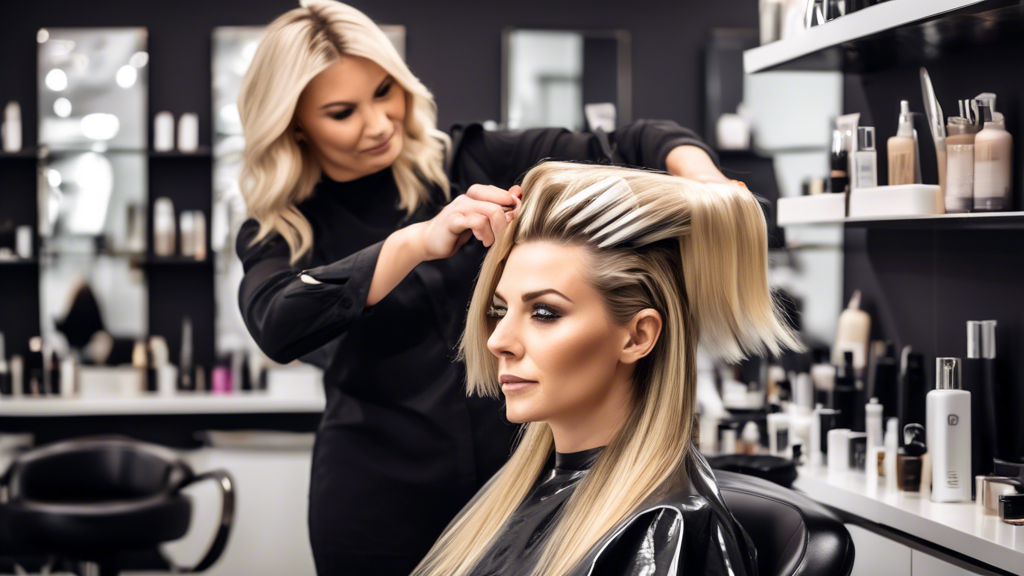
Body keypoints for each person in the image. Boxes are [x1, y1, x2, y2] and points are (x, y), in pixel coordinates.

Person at [235, 1, 730, 572]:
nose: (378, 123)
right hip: (376, 502)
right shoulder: (283, 229)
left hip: (515, 484)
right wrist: (415, 242)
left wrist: (709, 184)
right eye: (343, 112)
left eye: (384, 91)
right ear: (294, 123)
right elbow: (277, 324)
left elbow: (638, 142)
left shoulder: (470, 159)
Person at [412, 162, 802, 576]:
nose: (497, 341)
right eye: (499, 310)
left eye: (544, 312)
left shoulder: (663, 530)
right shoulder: (514, 491)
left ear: (637, 337)